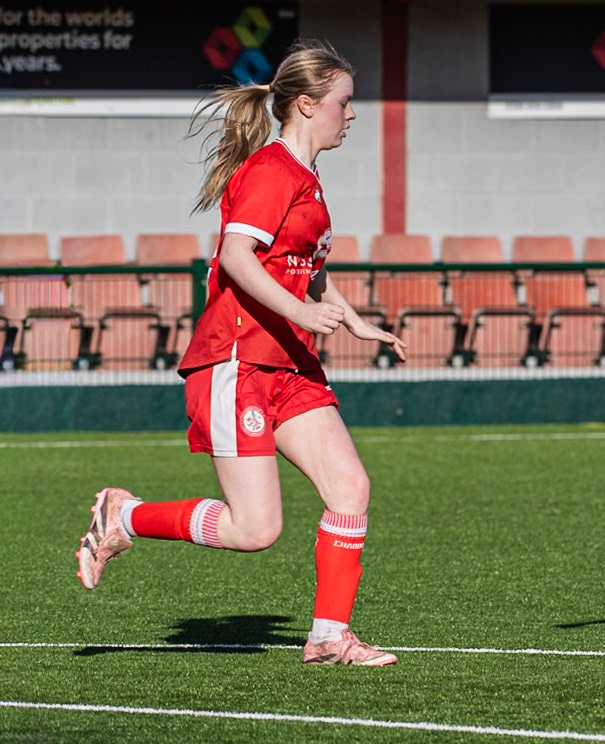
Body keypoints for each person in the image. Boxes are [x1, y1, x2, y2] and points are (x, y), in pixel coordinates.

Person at [75, 40, 407, 667]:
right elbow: (235, 256)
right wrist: (302, 313)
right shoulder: (272, 171)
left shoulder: (307, 178)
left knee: (350, 486)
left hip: (289, 364)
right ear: (306, 105)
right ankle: (127, 516)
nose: (351, 115)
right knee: (255, 530)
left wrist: (356, 321)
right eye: (344, 102)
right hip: (237, 361)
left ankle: (329, 637)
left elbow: (305, 269)